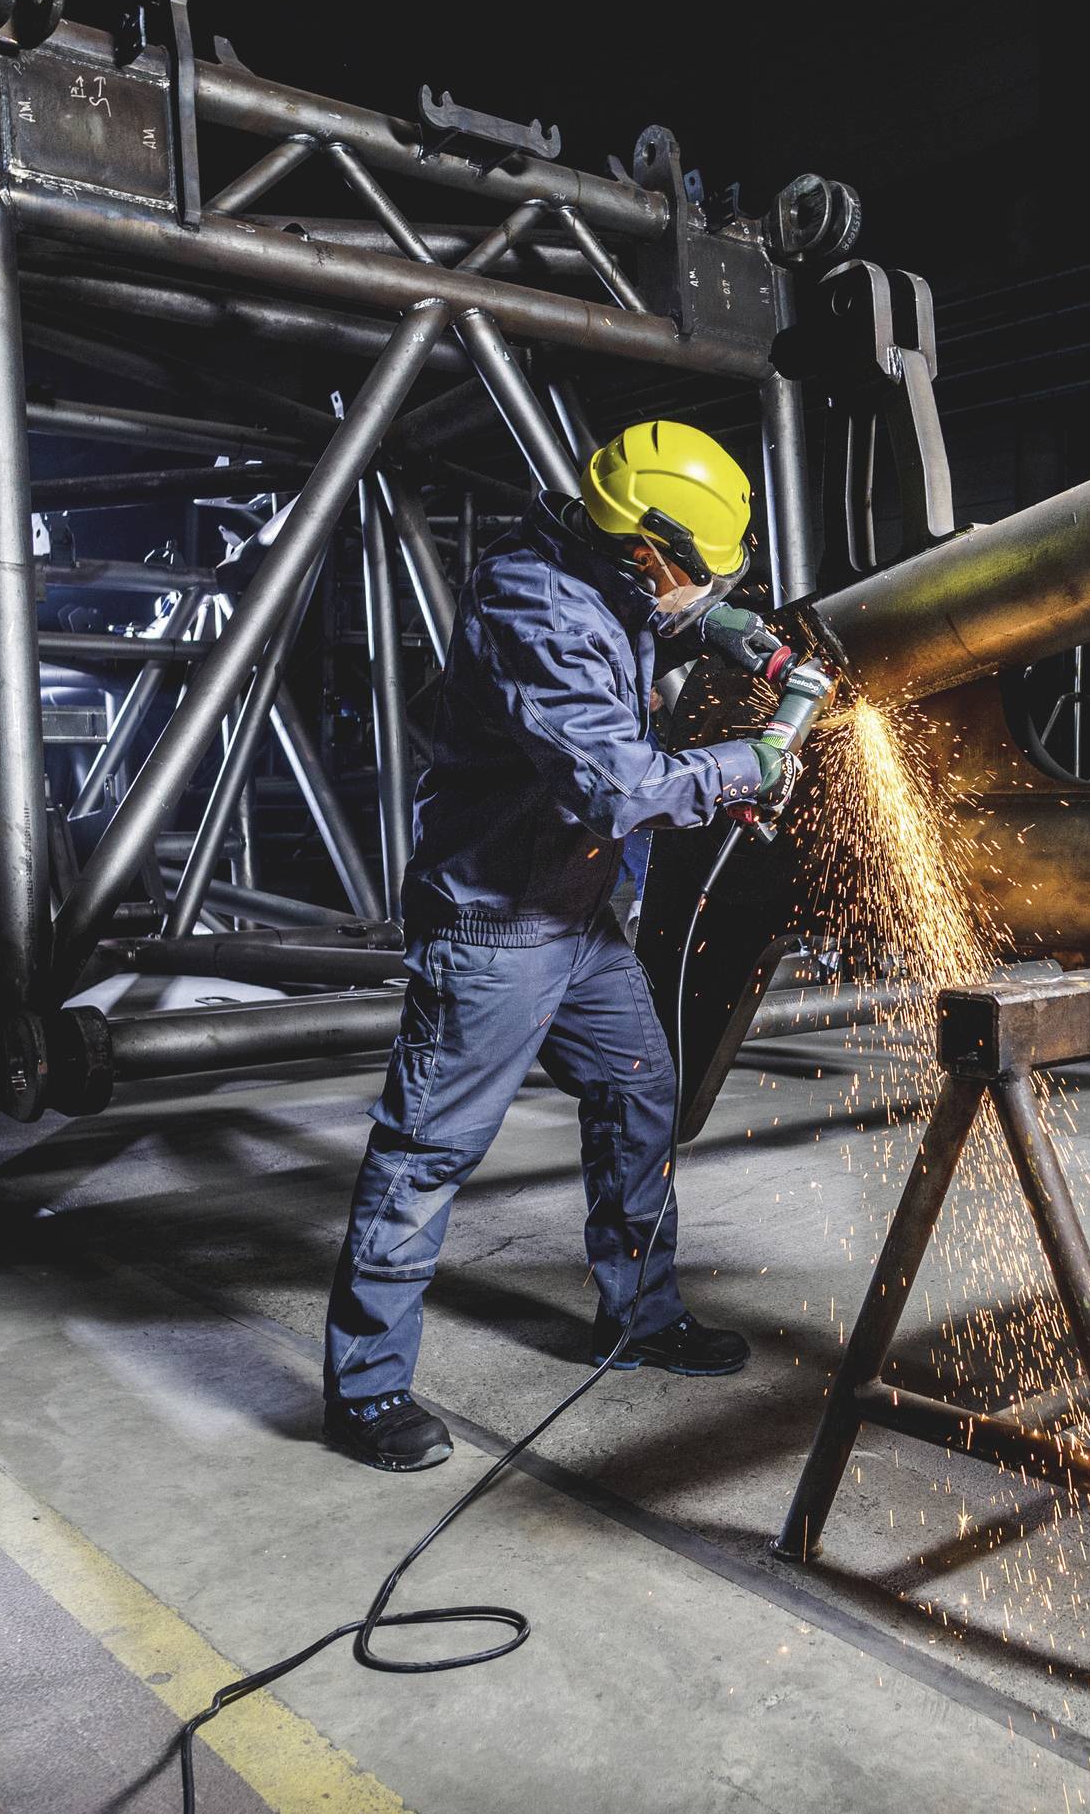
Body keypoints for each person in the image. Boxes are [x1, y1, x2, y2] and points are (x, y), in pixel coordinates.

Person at [320, 420, 794, 1472]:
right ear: (645, 549)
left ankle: (637, 1314)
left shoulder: (611, 569)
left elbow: (666, 618)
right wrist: (746, 766)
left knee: (641, 1091)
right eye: (693, 573)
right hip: (496, 927)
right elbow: (619, 786)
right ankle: (363, 1389)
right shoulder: (536, 604)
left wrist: (728, 631)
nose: (697, 589)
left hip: (578, 918)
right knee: (425, 1153)